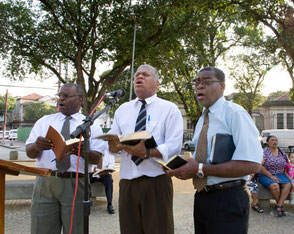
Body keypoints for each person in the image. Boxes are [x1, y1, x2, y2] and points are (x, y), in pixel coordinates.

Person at [167, 67, 263, 234]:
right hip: (203, 196)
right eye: (197, 82)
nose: (199, 86)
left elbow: (252, 164)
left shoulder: (235, 113)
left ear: (222, 86)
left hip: (229, 198)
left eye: (207, 81)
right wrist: (184, 168)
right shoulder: (203, 119)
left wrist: (199, 169)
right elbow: (200, 159)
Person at [107, 64, 183, 234]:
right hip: (127, 183)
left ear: (157, 84)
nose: (139, 77)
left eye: (145, 75)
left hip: (156, 182)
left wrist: (147, 152)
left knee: (159, 230)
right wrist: (113, 145)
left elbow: (174, 145)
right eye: (137, 75)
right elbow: (113, 140)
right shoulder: (122, 110)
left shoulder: (169, 109)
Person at [25, 83, 105, 234]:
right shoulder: (44, 121)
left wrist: (80, 151)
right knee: (41, 229)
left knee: (76, 230)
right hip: (45, 183)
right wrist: (37, 146)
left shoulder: (91, 126)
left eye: (66, 96)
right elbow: (29, 152)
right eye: (60, 96)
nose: (61, 99)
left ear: (80, 99)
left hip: (75, 183)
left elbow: (96, 158)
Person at [258, 135, 291, 217]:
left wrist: (288, 175)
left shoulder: (281, 151)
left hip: (280, 174)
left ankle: (279, 206)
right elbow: (260, 166)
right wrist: (270, 176)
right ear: (268, 142)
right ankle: (280, 206)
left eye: (276, 140)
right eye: (272, 140)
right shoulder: (265, 151)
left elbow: (286, 164)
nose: (275, 142)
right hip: (266, 174)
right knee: (274, 186)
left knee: (288, 184)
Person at [90, 148, 115, 214]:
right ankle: (85, 200)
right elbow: (88, 165)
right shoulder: (92, 152)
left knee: (109, 179)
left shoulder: (109, 154)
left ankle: (109, 204)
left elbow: (111, 167)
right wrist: (94, 170)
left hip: (104, 174)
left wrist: (104, 171)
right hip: (92, 174)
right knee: (84, 178)